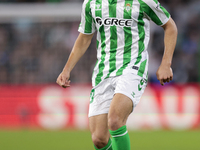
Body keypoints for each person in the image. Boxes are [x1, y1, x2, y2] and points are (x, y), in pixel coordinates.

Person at [56, 0, 178, 149]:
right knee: (99, 139)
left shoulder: (143, 2)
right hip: (104, 71)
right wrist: (67, 69)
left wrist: (166, 64)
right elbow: (84, 37)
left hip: (133, 67)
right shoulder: (91, 3)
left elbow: (170, 26)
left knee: (115, 120)